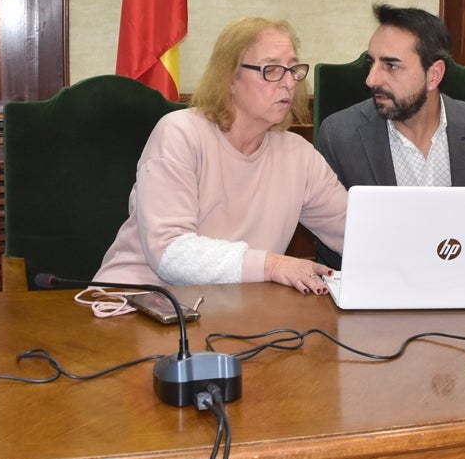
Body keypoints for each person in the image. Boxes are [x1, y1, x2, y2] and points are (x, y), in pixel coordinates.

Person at [94, 17, 345, 295]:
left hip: (231, 311)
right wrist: (271, 265)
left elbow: (353, 232)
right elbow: (170, 253)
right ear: (230, 79)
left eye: (293, 69)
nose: (288, 82)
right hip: (140, 304)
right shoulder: (180, 133)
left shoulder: (298, 154)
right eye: (271, 70)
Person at [314, 4, 465, 266]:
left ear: (433, 75)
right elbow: (332, 253)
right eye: (373, 63)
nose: (371, 79)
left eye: (391, 66)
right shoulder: (341, 136)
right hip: (382, 294)